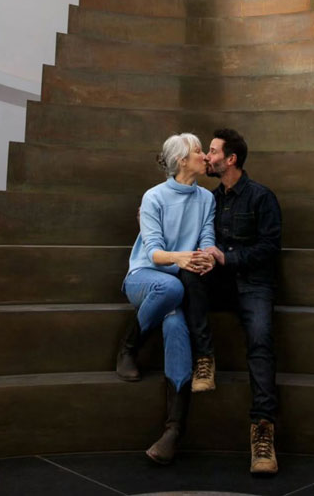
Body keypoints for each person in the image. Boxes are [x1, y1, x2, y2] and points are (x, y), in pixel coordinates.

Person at [180, 128, 282, 475]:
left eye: (212, 151)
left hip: (254, 284)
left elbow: (269, 249)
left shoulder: (261, 197)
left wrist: (227, 257)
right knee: (189, 272)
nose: (207, 157)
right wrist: (208, 259)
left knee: (260, 341)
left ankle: (263, 433)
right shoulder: (210, 198)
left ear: (231, 159)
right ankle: (205, 358)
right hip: (221, 283)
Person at [116, 132, 216, 464]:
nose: (205, 156)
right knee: (171, 290)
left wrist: (204, 258)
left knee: (175, 326)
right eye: (198, 151)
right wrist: (182, 259)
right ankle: (129, 346)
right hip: (147, 277)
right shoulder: (154, 197)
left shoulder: (207, 199)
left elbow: (206, 239)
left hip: (180, 279)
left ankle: (173, 431)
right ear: (181, 161)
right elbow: (155, 252)